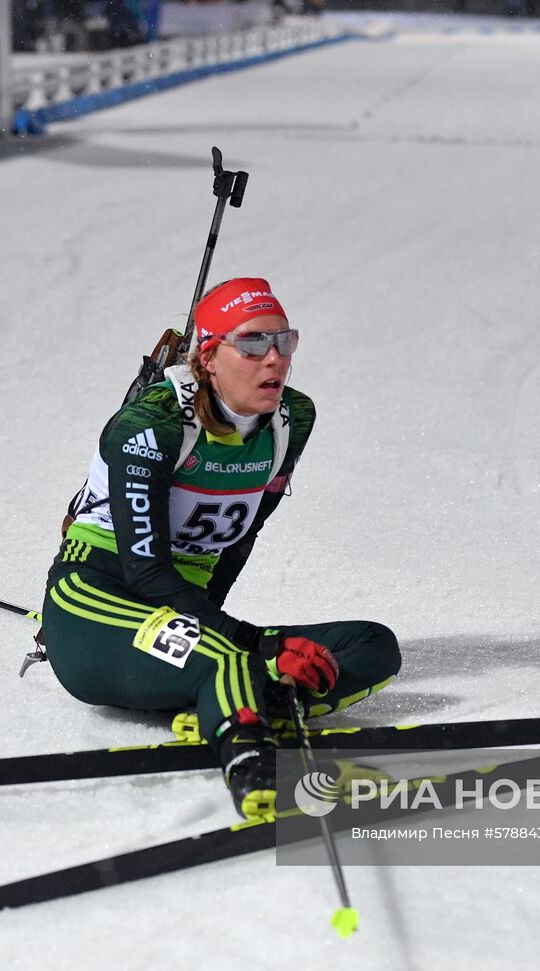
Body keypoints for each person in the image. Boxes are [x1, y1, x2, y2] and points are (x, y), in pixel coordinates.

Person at [40, 277, 401, 818]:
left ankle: (245, 698)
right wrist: (251, 644)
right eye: (253, 343)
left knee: (372, 645)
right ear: (208, 356)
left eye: (285, 340)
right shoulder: (153, 424)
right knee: (233, 658)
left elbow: (240, 537)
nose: (274, 358)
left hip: (179, 612)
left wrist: (226, 634)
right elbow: (146, 575)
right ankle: (254, 767)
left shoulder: (290, 420)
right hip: (96, 599)